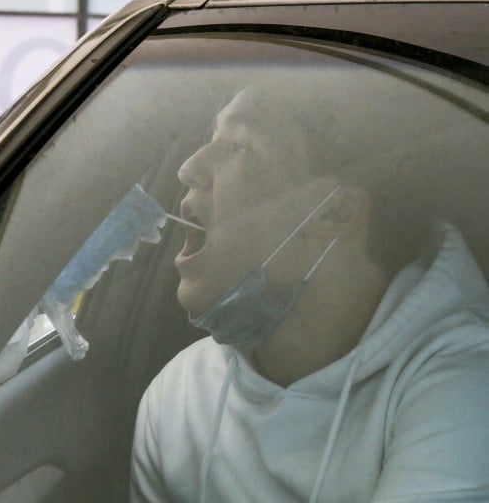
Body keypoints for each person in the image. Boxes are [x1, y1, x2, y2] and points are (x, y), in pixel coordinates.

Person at [131, 68, 489, 502]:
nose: (189, 169)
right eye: (210, 138)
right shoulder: (177, 397)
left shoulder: (465, 393)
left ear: (336, 212)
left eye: (238, 146)